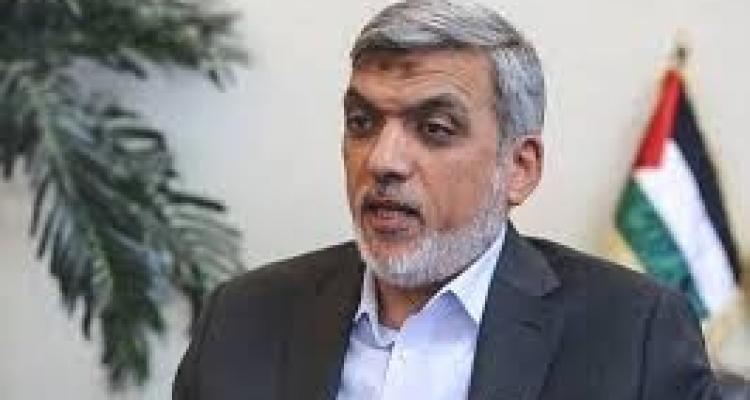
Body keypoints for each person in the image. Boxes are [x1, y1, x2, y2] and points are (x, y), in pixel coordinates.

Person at [173, 1, 720, 399]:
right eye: (362, 122)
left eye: (434, 129)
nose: (383, 160)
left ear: (519, 169)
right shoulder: (243, 318)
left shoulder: (633, 333)